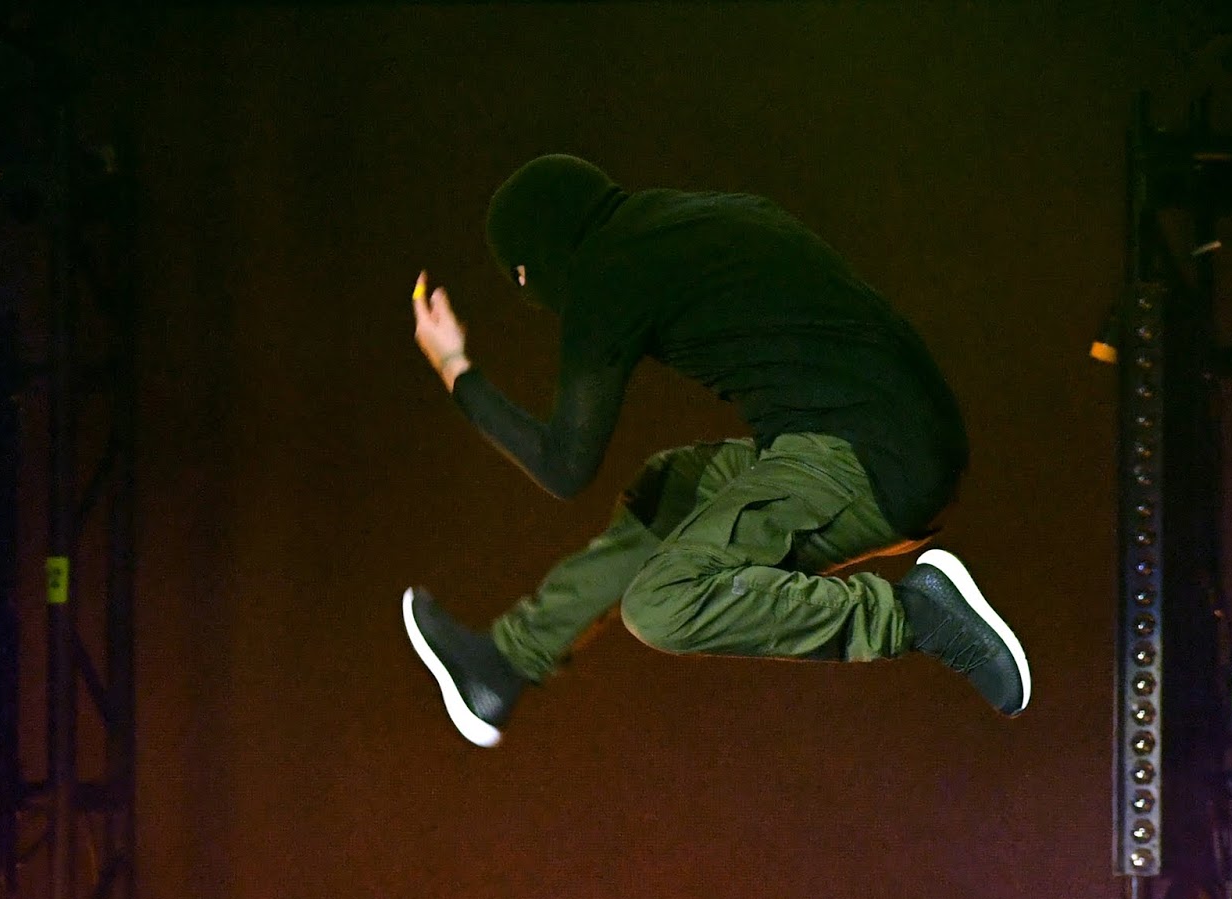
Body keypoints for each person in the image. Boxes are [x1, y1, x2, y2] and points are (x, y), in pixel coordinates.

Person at [405, 154, 1029, 747]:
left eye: (523, 281)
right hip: (901, 435)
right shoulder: (694, 217)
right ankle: (504, 666)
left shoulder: (607, 269)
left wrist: (456, 369)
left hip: (871, 462)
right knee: (670, 491)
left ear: (535, 262)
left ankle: (912, 616)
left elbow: (565, 465)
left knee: (663, 603)